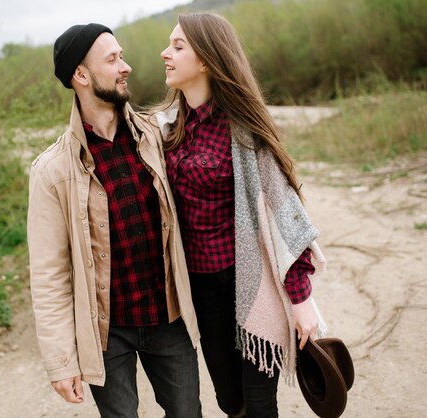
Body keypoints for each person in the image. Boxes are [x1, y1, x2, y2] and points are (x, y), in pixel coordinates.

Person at [154, 13, 327, 418]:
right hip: (201, 287)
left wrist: (301, 300)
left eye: (178, 46)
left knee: (260, 401)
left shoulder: (243, 131)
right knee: (230, 400)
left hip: (251, 282)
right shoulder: (164, 130)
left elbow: (286, 214)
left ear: (207, 61)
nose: (165, 53)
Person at [27, 23, 202, 418]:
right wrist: (61, 362)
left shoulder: (158, 136)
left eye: (121, 56)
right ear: (81, 75)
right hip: (106, 333)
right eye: (113, 59)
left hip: (168, 317)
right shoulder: (52, 171)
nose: (126, 67)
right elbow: (49, 274)